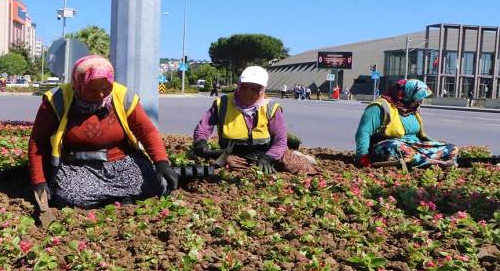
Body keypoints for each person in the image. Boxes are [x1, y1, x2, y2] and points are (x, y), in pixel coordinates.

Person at [28, 55, 179, 209]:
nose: (100, 95)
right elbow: (37, 141)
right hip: (78, 167)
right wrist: (38, 181)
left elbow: (146, 131)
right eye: (92, 90)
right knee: (71, 196)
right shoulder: (57, 100)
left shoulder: (123, 96)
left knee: (155, 184)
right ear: (78, 84)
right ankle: (119, 199)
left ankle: (118, 199)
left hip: (121, 163)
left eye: (105, 89)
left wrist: (162, 163)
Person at [192, 66, 315, 174]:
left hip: (265, 152)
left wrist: (268, 158)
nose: (248, 93)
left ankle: (300, 156)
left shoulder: (271, 108)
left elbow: (280, 141)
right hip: (232, 153)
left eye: (254, 90)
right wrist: (201, 143)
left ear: (262, 90)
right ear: (239, 86)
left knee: (302, 167)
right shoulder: (222, 104)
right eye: (244, 87)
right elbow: (203, 128)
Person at [355, 79, 458, 169]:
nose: (420, 102)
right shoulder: (379, 107)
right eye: (417, 99)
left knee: (451, 148)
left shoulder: (412, 109)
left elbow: (420, 136)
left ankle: (423, 161)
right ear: (407, 95)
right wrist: (363, 156)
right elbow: (363, 132)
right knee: (402, 150)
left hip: (414, 145)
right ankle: (433, 162)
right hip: (388, 145)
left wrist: (432, 145)